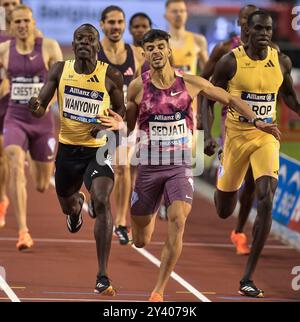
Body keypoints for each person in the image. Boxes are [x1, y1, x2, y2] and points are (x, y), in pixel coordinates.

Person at [99, 29, 280, 302]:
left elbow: (229, 98)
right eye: (151, 48)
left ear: (169, 51)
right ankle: (152, 211)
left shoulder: (191, 83)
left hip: (180, 167)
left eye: (161, 46)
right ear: (145, 54)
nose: (157, 52)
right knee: (140, 240)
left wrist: (256, 120)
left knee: (178, 220)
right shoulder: (138, 87)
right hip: (149, 168)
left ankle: (158, 290)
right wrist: (119, 126)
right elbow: (130, 126)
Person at [202, 10, 300, 297]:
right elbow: (208, 98)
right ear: (247, 31)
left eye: (269, 29)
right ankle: (225, 174)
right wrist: (208, 135)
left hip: (266, 138)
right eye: (259, 29)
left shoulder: (280, 61)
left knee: (266, 199)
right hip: (235, 139)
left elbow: (290, 97)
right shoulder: (230, 62)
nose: (265, 34)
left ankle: (248, 277)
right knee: (223, 210)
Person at [29, 23, 125, 295]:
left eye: (89, 39)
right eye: (79, 39)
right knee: (68, 205)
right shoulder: (61, 70)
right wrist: (35, 106)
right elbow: (41, 108)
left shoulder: (111, 75)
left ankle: (103, 275)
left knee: (103, 200)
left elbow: (122, 114)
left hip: (98, 148)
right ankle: (77, 207)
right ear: (73, 45)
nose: (84, 42)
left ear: (98, 45)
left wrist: (107, 124)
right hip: (68, 150)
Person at [0, 5, 62, 250]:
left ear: (34, 21)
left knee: (41, 183)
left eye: (26, 20)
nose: (23, 25)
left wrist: (49, 103)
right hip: (15, 118)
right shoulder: (4, 50)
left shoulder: (48, 46)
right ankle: (23, 231)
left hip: (42, 123)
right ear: (11, 26)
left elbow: (62, 83)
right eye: (18, 22)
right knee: (14, 162)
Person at [201, 4, 259, 256]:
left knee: (254, 182)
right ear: (239, 23)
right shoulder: (225, 51)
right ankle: (223, 183)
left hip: (261, 126)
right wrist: (205, 129)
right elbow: (204, 87)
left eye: (253, 21)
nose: (248, 26)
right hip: (231, 122)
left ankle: (240, 232)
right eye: (245, 21)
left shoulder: (272, 53)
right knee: (228, 198)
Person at [98, 6, 144, 245]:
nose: (116, 27)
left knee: (123, 167)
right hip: (99, 119)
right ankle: (95, 198)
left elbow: (141, 84)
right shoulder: (95, 51)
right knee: (97, 165)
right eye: (111, 22)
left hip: (124, 119)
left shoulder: (135, 53)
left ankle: (121, 221)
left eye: (120, 22)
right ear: (102, 24)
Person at [0, 0, 44, 229]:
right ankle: (3, 200)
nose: (8, 6)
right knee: (7, 157)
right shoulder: (1, 33)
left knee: (41, 183)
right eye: (5, 3)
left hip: (21, 104)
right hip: (3, 103)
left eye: (13, 3)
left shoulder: (34, 34)